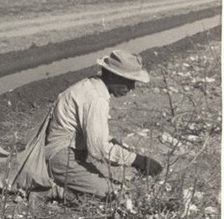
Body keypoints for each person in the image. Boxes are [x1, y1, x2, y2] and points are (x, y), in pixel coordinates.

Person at [43, 49, 163, 199]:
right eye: (128, 81)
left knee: (112, 189)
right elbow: (98, 150)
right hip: (62, 159)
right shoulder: (96, 98)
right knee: (112, 196)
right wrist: (138, 160)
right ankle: (50, 191)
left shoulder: (93, 85)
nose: (132, 88)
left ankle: (66, 184)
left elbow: (90, 131)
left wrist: (114, 144)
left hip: (71, 155)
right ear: (112, 75)